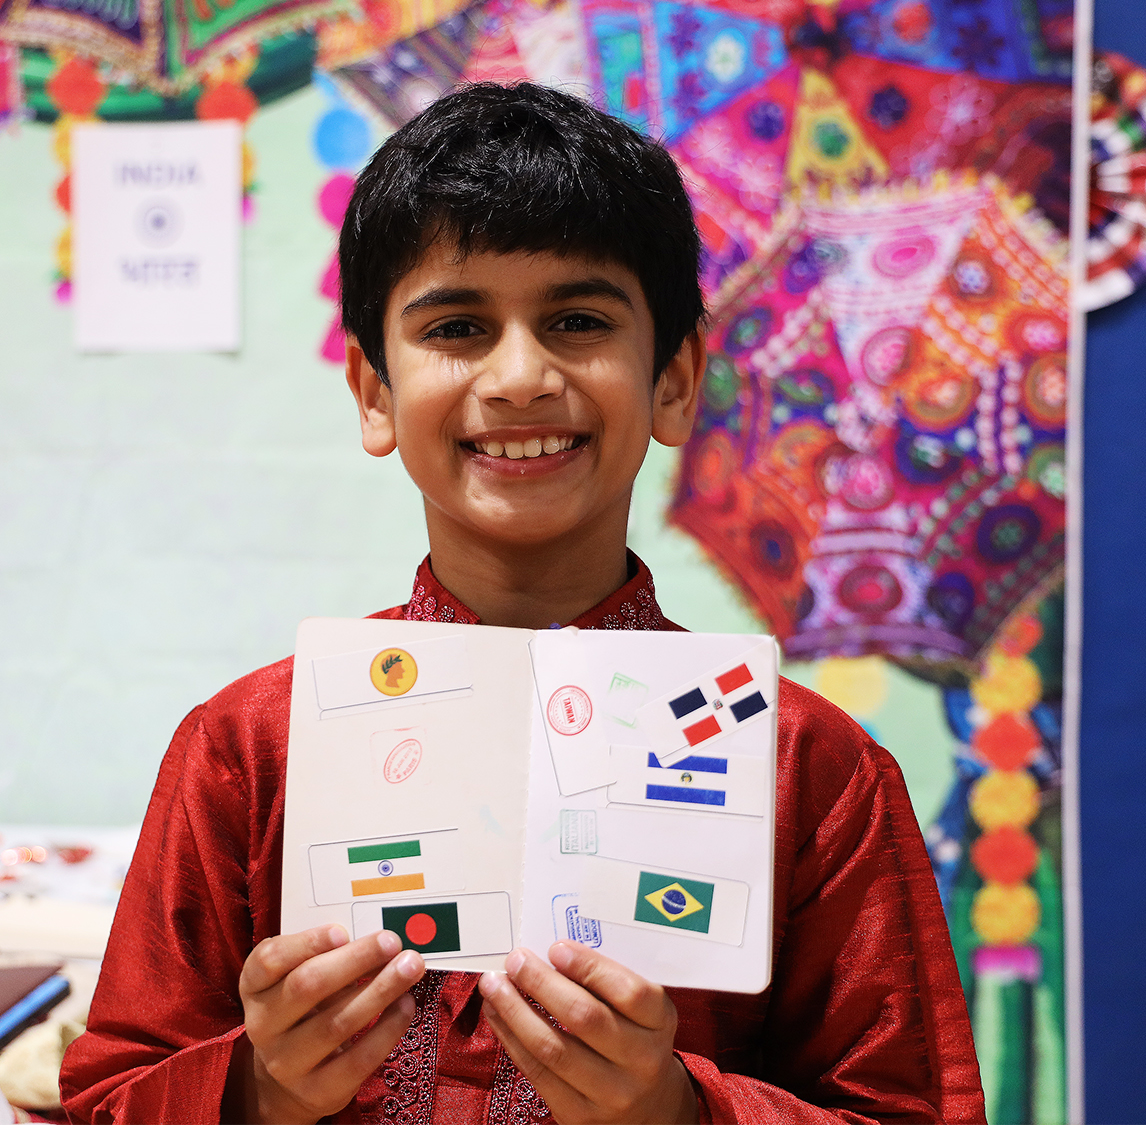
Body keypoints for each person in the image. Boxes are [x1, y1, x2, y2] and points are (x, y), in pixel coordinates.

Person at [60, 83, 982, 1124]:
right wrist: (258, 1090)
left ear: (674, 379)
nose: (519, 376)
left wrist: (675, 1111)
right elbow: (110, 1095)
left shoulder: (809, 770)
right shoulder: (248, 749)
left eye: (576, 319)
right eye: (456, 325)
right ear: (372, 392)